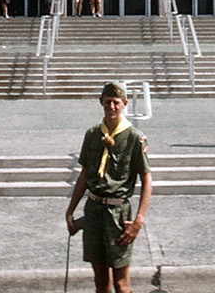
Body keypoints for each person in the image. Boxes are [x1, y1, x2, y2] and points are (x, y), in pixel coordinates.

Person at [65, 82, 152, 293]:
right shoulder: (93, 134)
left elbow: (146, 178)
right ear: (100, 102)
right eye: (107, 102)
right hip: (94, 211)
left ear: (124, 103)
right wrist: (70, 210)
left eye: (116, 103)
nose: (111, 107)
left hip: (118, 214)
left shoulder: (133, 137)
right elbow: (84, 175)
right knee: (101, 281)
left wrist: (139, 221)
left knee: (121, 284)